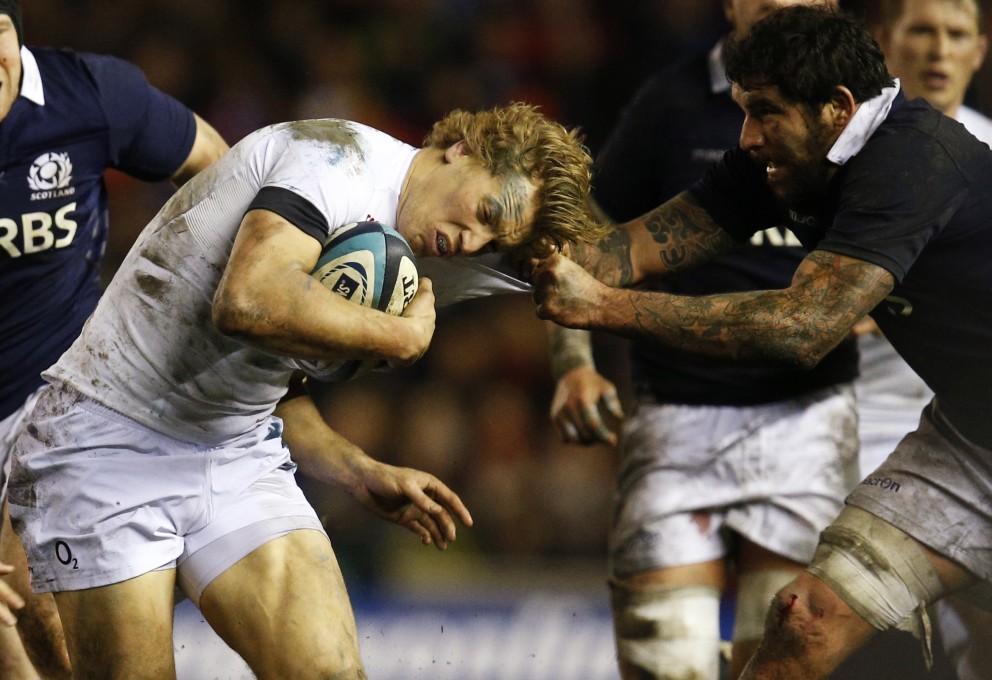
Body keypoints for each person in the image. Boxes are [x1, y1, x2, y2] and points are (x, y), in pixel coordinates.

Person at [6, 101, 597, 678]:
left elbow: (266, 385)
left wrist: (356, 467)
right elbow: (248, 300)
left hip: (236, 453)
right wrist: (400, 338)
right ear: (461, 151)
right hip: (107, 446)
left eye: (495, 242)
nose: (474, 243)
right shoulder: (333, 161)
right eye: (487, 212)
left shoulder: (414, 246)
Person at [532, 5, 992, 680]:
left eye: (765, 113)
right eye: (741, 110)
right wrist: (511, 250)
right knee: (805, 617)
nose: (747, 135)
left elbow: (801, 328)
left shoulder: (910, 162)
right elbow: (633, 248)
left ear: (838, 108)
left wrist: (606, 308)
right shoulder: (793, 160)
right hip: (969, 441)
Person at [544, 1, 860, 679]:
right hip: (677, 418)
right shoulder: (672, 102)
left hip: (807, 418)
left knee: (780, 663)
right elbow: (586, 230)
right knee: (667, 661)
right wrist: (575, 362)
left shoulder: (865, 113)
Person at [0, 0, 229, 676]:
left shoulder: (91, 96)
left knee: (39, 609)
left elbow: (221, 172)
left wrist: (191, 303)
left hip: (56, 391)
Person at [870, 1, 992, 677]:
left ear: (980, 51)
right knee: (810, 616)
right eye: (921, 31)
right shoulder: (842, 158)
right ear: (883, 42)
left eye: (955, 34)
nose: (938, 51)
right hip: (855, 413)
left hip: (979, 427)